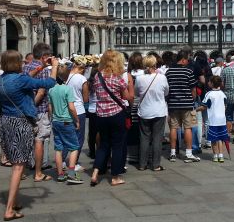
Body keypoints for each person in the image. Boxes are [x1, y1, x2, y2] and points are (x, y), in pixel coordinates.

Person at [0, 50, 58, 220]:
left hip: (7, 121)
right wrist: (54, 67)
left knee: (18, 162)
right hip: (21, 123)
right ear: (17, 63)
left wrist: (40, 67)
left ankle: (14, 201)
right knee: (18, 165)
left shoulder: (2, 79)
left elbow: (26, 79)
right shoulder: (20, 80)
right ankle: (9, 209)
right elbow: (50, 83)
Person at [90, 50, 133, 186]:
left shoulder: (97, 77)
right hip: (116, 115)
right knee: (117, 146)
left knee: (103, 145)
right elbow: (126, 97)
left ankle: (95, 172)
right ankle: (115, 177)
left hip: (101, 115)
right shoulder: (117, 78)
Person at [22, 42, 55, 182]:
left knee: (25, 140)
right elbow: (41, 91)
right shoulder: (43, 70)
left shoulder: (25, 67)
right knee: (39, 140)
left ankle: (21, 171)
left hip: (23, 110)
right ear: (44, 57)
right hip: (38, 110)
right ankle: (38, 173)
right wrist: (32, 106)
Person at [48, 65, 83, 184]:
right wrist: (77, 120)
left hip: (56, 121)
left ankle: (60, 174)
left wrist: (52, 118)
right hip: (66, 121)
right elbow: (72, 107)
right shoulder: (67, 89)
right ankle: (72, 174)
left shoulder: (51, 89)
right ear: (67, 76)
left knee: (58, 147)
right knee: (74, 147)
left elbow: (50, 107)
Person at [135, 54, 169, 171]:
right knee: (157, 138)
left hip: (144, 111)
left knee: (144, 138)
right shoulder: (162, 77)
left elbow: (136, 93)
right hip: (159, 111)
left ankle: (142, 164)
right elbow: (166, 92)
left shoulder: (139, 78)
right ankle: (156, 165)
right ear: (155, 64)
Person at [165, 49, 200, 162]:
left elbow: (166, 89)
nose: (188, 62)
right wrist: (192, 99)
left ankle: (173, 153)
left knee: (173, 128)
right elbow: (193, 89)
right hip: (186, 104)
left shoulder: (169, 72)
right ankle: (189, 154)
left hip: (173, 104)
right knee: (188, 127)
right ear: (183, 60)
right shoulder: (188, 72)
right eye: (187, 60)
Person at [64, 56, 90, 170]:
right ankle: (74, 164)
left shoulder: (66, 76)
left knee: (66, 136)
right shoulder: (82, 79)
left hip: (66, 110)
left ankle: (64, 160)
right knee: (79, 138)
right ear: (82, 67)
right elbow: (85, 98)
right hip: (79, 110)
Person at [199, 76, 227, 162]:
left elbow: (204, 106)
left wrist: (195, 110)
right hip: (222, 119)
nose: (208, 83)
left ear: (211, 83)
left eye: (209, 82)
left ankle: (215, 155)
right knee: (220, 138)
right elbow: (225, 105)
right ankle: (221, 155)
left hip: (213, 120)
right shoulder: (223, 94)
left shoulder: (209, 94)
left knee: (214, 139)